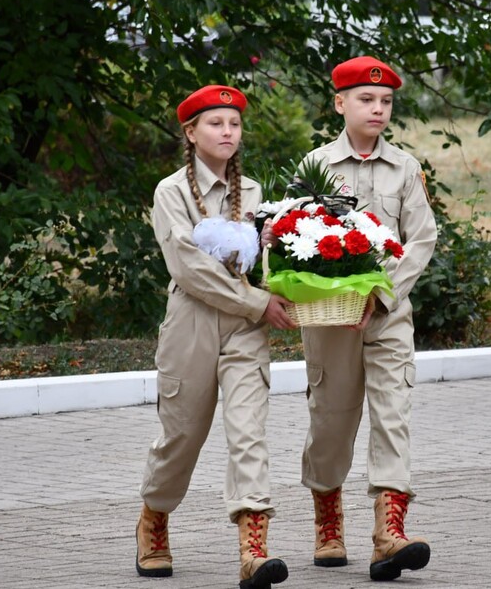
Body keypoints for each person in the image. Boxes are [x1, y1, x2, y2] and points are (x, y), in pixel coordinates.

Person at [136, 84, 296, 589]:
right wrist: (258, 302)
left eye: (234, 124)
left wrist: (286, 259)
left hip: (245, 329)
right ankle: (154, 520)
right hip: (192, 324)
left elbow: (258, 263)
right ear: (190, 132)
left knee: (248, 433)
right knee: (180, 438)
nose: (227, 132)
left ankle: (254, 548)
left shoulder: (251, 192)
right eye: (215, 124)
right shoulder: (171, 192)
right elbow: (189, 270)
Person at [297, 56, 438, 581]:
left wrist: (384, 294)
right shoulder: (316, 167)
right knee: (331, 421)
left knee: (393, 416)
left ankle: (389, 533)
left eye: (385, 102)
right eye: (366, 100)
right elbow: (296, 240)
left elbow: (421, 238)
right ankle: (328, 522)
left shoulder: (405, 168)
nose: (377, 109)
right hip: (332, 320)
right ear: (340, 104)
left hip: (387, 315)